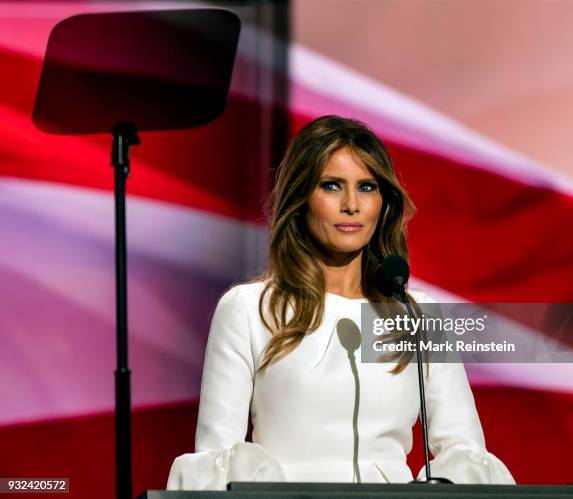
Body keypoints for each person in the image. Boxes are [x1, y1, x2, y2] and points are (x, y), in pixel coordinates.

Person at [167, 115, 515, 490]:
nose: (351, 205)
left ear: (384, 203)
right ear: (301, 199)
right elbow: (218, 458)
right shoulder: (250, 309)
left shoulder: (417, 314)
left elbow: (464, 451)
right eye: (332, 186)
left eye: (366, 187)